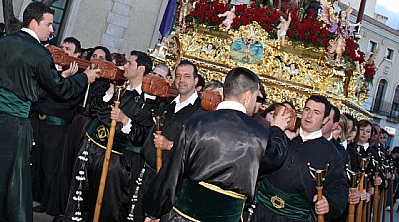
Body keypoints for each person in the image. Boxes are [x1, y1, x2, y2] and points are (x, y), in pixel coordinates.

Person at [0, 2, 96, 222]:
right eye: (49, 24)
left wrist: (62, 78)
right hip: (11, 123)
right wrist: (83, 78)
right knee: (7, 179)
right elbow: (59, 91)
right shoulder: (40, 54)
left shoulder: (5, 41)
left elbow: (27, 86)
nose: (52, 30)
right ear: (34, 22)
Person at [142, 67, 290, 222]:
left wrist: (155, 211)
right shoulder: (259, 135)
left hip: (184, 215)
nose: (255, 103)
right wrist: (277, 129)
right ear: (247, 96)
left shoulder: (197, 123)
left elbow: (173, 171)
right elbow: (275, 157)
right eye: (255, 97)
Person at [64, 50, 155, 222]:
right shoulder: (117, 88)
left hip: (113, 159)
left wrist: (125, 120)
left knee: (105, 205)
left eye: (130, 63)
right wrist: (109, 93)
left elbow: (141, 136)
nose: (125, 66)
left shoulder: (146, 103)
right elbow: (93, 110)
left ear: (141, 69)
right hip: (89, 147)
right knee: (78, 195)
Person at [31, 36, 99, 220]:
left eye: (68, 49)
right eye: (62, 47)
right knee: (36, 163)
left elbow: (65, 99)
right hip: (40, 123)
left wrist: (64, 79)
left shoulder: (80, 77)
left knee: (52, 168)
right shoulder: (51, 68)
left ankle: (51, 204)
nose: (63, 51)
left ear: (77, 55)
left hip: (57, 127)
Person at [252, 95, 349, 222]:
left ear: (325, 120)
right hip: (261, 213)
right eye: (307, 109)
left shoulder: (331, 154)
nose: (309, 115)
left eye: (316, 112)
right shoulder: (282, 139)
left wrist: (329, 202)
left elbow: (339, 187)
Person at [128, 60, 203, 221]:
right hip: (148, 175)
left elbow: (200, 151)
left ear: (196, 81)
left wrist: (170, 146)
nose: (182, 80)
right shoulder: (167, 106)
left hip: (171, 185)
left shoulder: (201, 113)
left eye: (187, 76)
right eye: (178, 76)